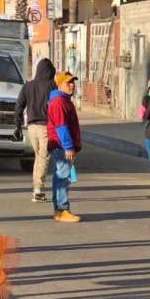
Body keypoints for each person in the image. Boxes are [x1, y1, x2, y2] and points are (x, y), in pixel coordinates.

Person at [15, 58, 57, 202]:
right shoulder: (52, 85)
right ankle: (38, 190)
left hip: (31, 127)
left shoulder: (28, 86)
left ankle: (36, 188)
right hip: (46, 127)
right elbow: (57, 106)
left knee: (39, 157)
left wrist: (18, 124)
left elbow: (19, 105)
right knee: (43, 158)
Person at [47, 71, 82, 223]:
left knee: (60, 177)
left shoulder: (64, 100)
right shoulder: (59, 102)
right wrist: (68, 147)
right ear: (60, 85)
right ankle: (62, 209)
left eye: (73, 82)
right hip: (61, 146)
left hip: (61, 145)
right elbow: (61, 127)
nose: (72, 85)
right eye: (68, 82)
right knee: (63, 178)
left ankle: (59, 209)